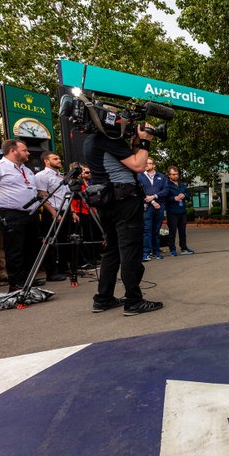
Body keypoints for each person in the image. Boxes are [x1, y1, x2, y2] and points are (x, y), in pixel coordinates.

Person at [83, 124, 163, 315]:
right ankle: (134, 301)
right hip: (124, 200)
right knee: (130, 250)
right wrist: (145, 141)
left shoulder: (90, 140)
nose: (125, 125)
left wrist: (136, 143)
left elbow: (131, 159)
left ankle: (103, 298)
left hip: (106, 200)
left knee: (112, 251)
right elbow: (139, 166)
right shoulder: (109, 139)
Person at [0, 140, 45, 292]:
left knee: (31, 247)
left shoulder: (27, 170)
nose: (28, 153)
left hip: (30, 214)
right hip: (9, 214)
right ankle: (16, 283)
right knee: (14, 249)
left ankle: (29, 279)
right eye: (24, 150)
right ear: (13, 151)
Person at [34, 150, 74, 282]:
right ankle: (52, 272)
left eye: (59, 158)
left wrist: (72, 211)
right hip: (53, 211)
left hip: (65, 210)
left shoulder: (61, 176)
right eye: (55, 159)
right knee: (51, 241)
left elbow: (67, 195)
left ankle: (64, 267)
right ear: (46, 161)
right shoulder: (42, 175)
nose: (59, 160)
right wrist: (53, 213)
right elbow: (43, 196)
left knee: (65, 239)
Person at [138, 157, 169, 261]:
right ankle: (146, 253)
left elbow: (166, 190)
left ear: (154, 165)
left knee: (156, 231)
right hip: (147, 207)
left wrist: (155, 196)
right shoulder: (139, 176)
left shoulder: (161, 177)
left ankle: (156, 252)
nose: (147, 165)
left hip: (160, 207)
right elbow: (138, 191)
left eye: (149, 163)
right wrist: (151, 201)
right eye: (145, 163)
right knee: (147, 230)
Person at [165, 166, 194, 256]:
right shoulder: (166, 185)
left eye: (177, 174)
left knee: (182, 232)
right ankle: (172, 249)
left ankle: (184, 248)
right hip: (172, 212)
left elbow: (189, 194)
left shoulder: (182, 184)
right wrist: (174, 198)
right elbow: (165, 198)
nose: (176, 176)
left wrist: (184, 195)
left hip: (182, 211)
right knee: (172, 232)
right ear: (169, 175)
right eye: (173, 174)